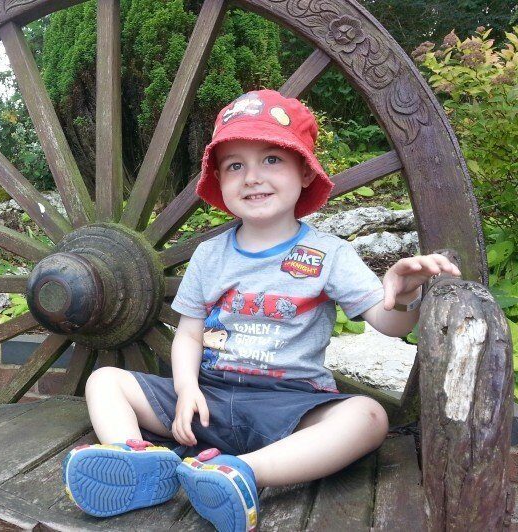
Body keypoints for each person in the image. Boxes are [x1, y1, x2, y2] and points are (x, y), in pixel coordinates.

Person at [62, 89, 461, 531]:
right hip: (206, 401)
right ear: (220, 180)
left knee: (368, 418)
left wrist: (402, 294)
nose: (252, 177)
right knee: (105, 381)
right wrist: (186, 388)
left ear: (305, 173)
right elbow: (190, 334)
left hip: (289, 406)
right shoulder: (210, 255)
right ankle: (135, 462)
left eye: (272, 159)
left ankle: (243, 472)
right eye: (235, 165)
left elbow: (390, 325)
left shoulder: (328, 254)